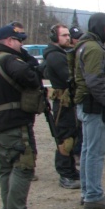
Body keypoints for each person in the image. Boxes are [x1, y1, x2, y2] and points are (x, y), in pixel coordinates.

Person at [0, 23, 47, 209]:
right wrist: (32, 64)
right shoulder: (11, 60)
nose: (21, 45)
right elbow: (32, 78)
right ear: (10, 41)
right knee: (23, 166)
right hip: (14, 123)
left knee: (6, 168)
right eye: (19, 41)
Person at [74, 13, 105, 209]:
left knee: (87, 150)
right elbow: (95, 81)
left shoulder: (87, 45)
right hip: (94, 106)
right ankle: (93, 195)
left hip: (88, 104)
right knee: (95, 151)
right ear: (98, 27)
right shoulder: (93, 49)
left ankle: (89, 191)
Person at [42, 24, 81, 189]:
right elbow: (69, 77)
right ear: (55, 37)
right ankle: (65, 174)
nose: (68, 38)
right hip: (63, 103)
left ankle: (70, 170)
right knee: (65, 139)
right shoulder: (55, 56)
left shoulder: (59, 54)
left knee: (71, 137)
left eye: (68, 35)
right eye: (63, 35)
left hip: (67, 102)